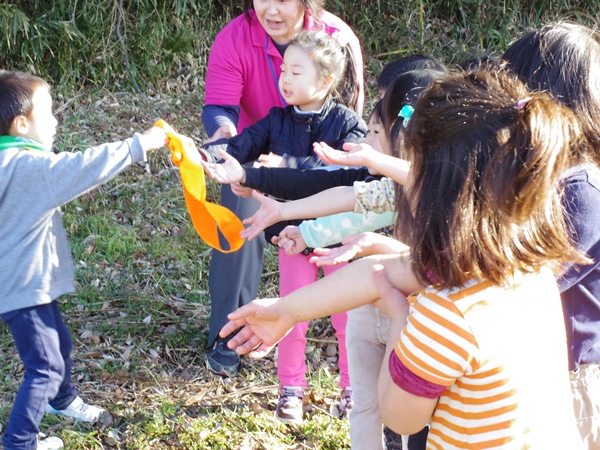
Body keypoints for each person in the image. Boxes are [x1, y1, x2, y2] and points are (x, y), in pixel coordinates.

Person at [218, 68, 586, 448]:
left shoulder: (447, 315)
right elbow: (378, 271)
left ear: (436, 196)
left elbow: (400, 417)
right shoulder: (525, 271)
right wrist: (286, 311)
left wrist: (398, 317)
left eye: (413, 174)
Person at [201, 29, 366, 423]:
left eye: (296, 71)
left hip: (339, 236)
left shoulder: (347, 124)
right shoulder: (276, 120)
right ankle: (290, 390)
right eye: (283, 71)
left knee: (346, 319)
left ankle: (352, 389)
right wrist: (209, 155)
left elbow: (336, 174)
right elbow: (240, 145)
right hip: (293, 238)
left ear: (326, 80)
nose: (285, 79)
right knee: (291, 313)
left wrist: (278, 168)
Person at [0, 71, 167, 450]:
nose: (55, 120)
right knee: (45, 366)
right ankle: (19, 442)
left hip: (25, 284)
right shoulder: (29, 168)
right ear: (21, 124)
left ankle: (62, 401)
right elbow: (83, 166)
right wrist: (139, 144)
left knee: (59, 343)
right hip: (23, 290)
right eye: (48, 113)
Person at [502, 22, 600, 448]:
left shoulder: (581, 191)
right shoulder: (545, 180)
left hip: (574, 378)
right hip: (544, 366)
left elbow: (519, 276)